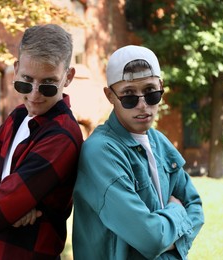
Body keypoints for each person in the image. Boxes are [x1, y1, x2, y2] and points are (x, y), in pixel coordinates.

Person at [0, 24, 83, 259]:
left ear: (68, 77)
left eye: (48, 83)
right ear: (15, 70)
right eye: (26, 81)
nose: (35, 94)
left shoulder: (61, 137)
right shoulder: (18, 116)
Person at [72, 45, 204, 259]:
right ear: (110, 96)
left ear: (161, 87)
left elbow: (195, 207)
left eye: (151, 93)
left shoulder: (160, 142)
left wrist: (166, 238)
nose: (142, 105)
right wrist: (177, 213)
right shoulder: (100, 152)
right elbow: (150, 238)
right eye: (129, 96)